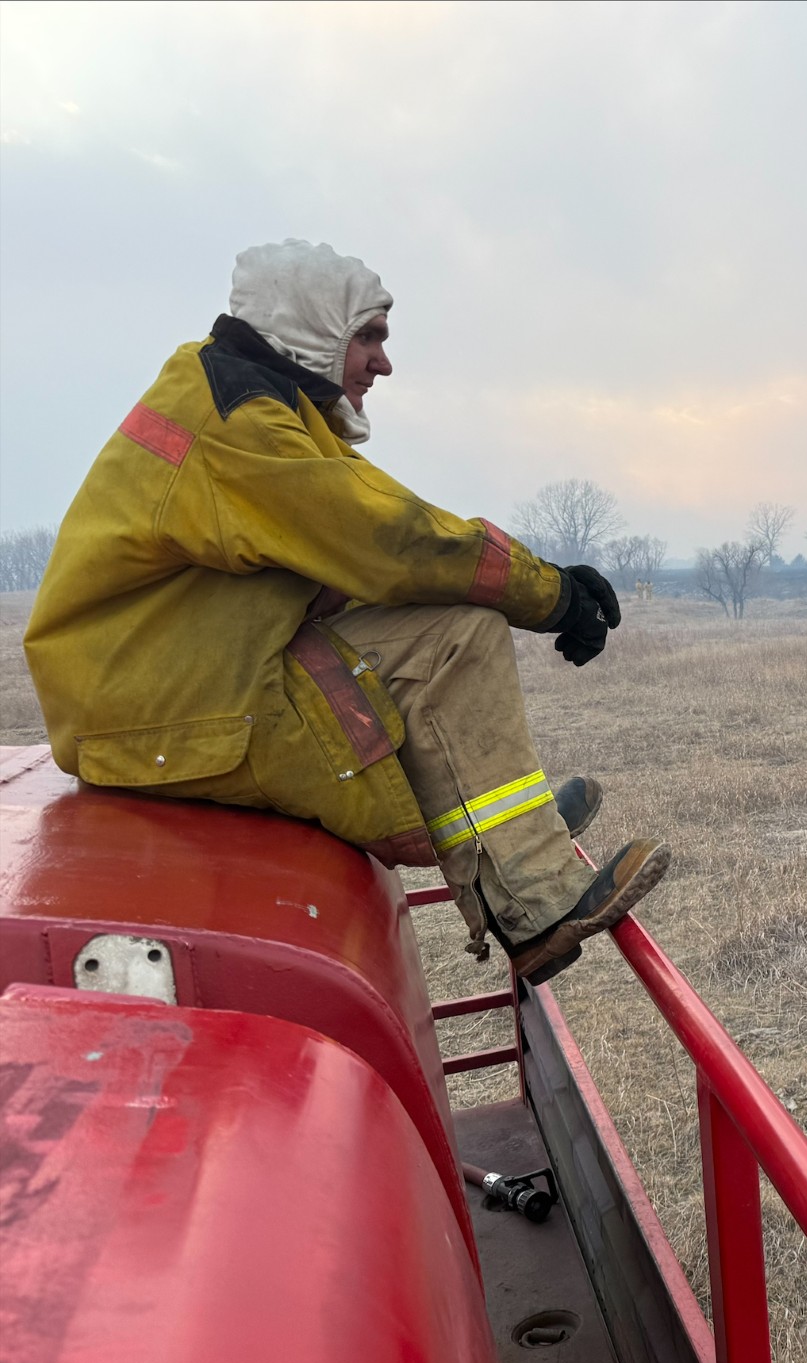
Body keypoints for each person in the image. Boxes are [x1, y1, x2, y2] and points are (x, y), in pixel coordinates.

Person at [23, 239, 666, 985]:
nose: (383, 363)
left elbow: (382, 529)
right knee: (454, 637)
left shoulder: (242, 401)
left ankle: (514, 848)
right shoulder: (242, 427)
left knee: (449, 626)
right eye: (369, 337)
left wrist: (542, 582)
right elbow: (391, 538)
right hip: (163, 714)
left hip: (171, 687)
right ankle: (535, 899)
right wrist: (551, 595)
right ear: (312, 330)